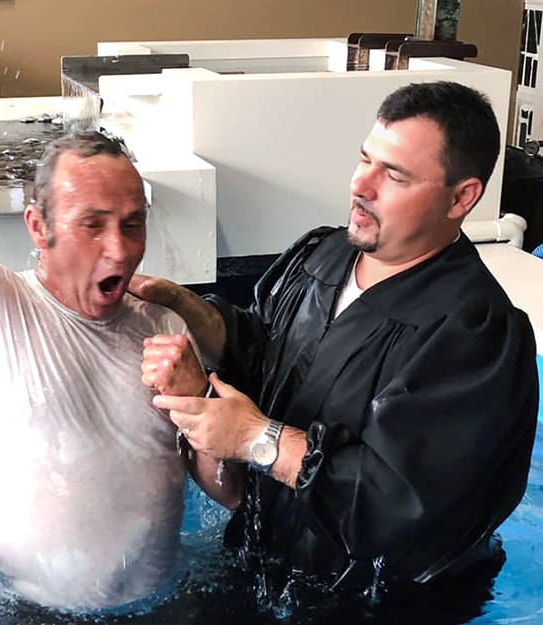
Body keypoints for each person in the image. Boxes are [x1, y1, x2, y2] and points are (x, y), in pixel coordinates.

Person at [0, 22, 225, 612]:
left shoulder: (162, 328)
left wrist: (200, 405)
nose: (121, 249)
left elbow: (227, 493)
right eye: (92, 224)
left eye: (133, 223)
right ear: (37, 227)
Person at [135, 80, 540, 596]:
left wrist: (257, 439)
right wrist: (184, 307)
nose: (361, 185)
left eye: (394, 174)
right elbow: (261, 347)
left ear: (462, 198)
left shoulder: (476, 334)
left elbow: (402, 503)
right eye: (365, 159)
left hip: (379, 623)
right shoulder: (322, 254)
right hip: (266, 558)